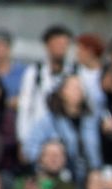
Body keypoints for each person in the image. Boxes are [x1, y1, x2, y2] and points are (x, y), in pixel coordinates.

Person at [22, 73, 101, 181]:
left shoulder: (91, 119)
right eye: (73, 87)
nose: (77, 91)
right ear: (62, 92)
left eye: (80, 87)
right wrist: (50, 159)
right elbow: (30, 149)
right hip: (61, 175)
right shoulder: (48, 121)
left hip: (91, 174)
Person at [16, 25, 74, 161]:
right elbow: (25, 107)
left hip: (66, 134)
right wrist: (23, 140)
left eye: (64, 44)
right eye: (57, 44)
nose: (61, 48)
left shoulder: (74, 71)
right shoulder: (34, 72)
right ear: (47, 45)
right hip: (38, 135)